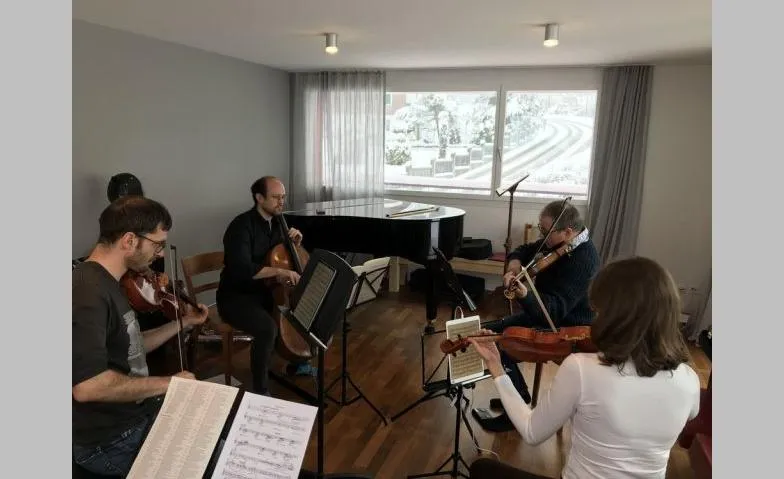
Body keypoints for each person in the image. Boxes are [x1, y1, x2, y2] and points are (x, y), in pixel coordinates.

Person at [467, 256, 701, 479]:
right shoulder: (690, 379)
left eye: (599, 311)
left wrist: (496, 366)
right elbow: (689, 413)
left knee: (482, 469)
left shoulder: (581, 368)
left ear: (615, 316)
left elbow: (531, 431)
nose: (594, 318)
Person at [72, 196, 209, 476]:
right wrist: (170, 383)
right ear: (130, 240)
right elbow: (87, 387)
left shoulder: (111, 280)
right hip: (108, 442)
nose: (159, 254)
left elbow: (132, 345)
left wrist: (184, 322)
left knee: (211, 430)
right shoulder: (87, 293)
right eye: (157, 244)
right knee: (207, 460)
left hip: (133, 416)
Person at [476, 200, 600, 432]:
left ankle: (515, 411)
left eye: (546, 231)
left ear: (568, 232)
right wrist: (513, 267)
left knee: (501, 343)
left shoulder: (583, 260)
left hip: (567, 330)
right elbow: (523, 250)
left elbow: (553, 311)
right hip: (541, 315)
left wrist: (525, 295)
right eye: (541, 229)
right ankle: (516, 396)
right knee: (491, 331)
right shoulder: (558, 244)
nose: (542, 236)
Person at [216, 176, 314, 396]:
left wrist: (295, 245)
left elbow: (283, 259)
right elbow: (242, 269)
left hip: (267, 292)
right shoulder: (241, 226)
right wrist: (280, 272)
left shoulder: (279, 224)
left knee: (304, 311)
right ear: (259, 198)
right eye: (276, 197)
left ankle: (296, 362)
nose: (281, 202)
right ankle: (260, 391)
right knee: (267, 328)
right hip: (236, 296)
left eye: (283, 197)